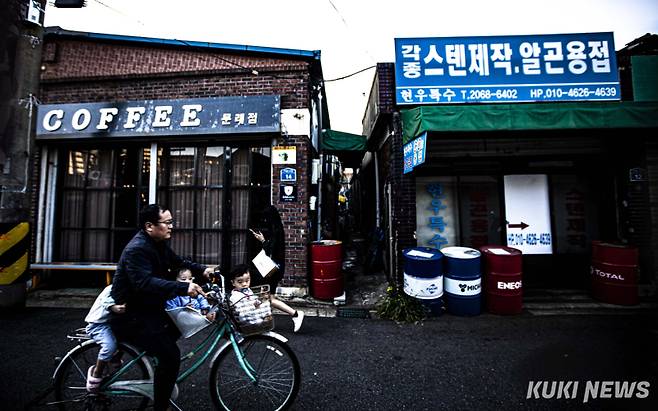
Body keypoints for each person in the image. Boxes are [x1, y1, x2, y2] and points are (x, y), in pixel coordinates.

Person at [110, 204, 217, 411]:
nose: (171, 226)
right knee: (171, 356)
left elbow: (178, 262)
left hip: (148, 310)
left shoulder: (157, 243)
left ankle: (159, 371)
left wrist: (203, 270)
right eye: (167, 222)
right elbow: (145, 283)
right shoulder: (138, 249)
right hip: (132, 316)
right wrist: (183, 288)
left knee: (178, 328)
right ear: (150, 226)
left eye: (171, 222)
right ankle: (160, 406)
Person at [249, 205, 304, 332]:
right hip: (275, 269)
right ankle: (263, 322)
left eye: (266, 218)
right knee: (265, 296)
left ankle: (295, 314)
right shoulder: (278, 230)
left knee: (268, 297)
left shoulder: (275, 232)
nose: (264, 221)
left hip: (272, 270)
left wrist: (262, 240)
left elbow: (270, 251)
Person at [84, 285, 126, 392]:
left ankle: (115, 357)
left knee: (130, 336)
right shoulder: (114, 287)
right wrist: (112, 306)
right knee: (109, 346)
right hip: (97, 325)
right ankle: (97, 372)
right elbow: (105, 299)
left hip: (112, 323)